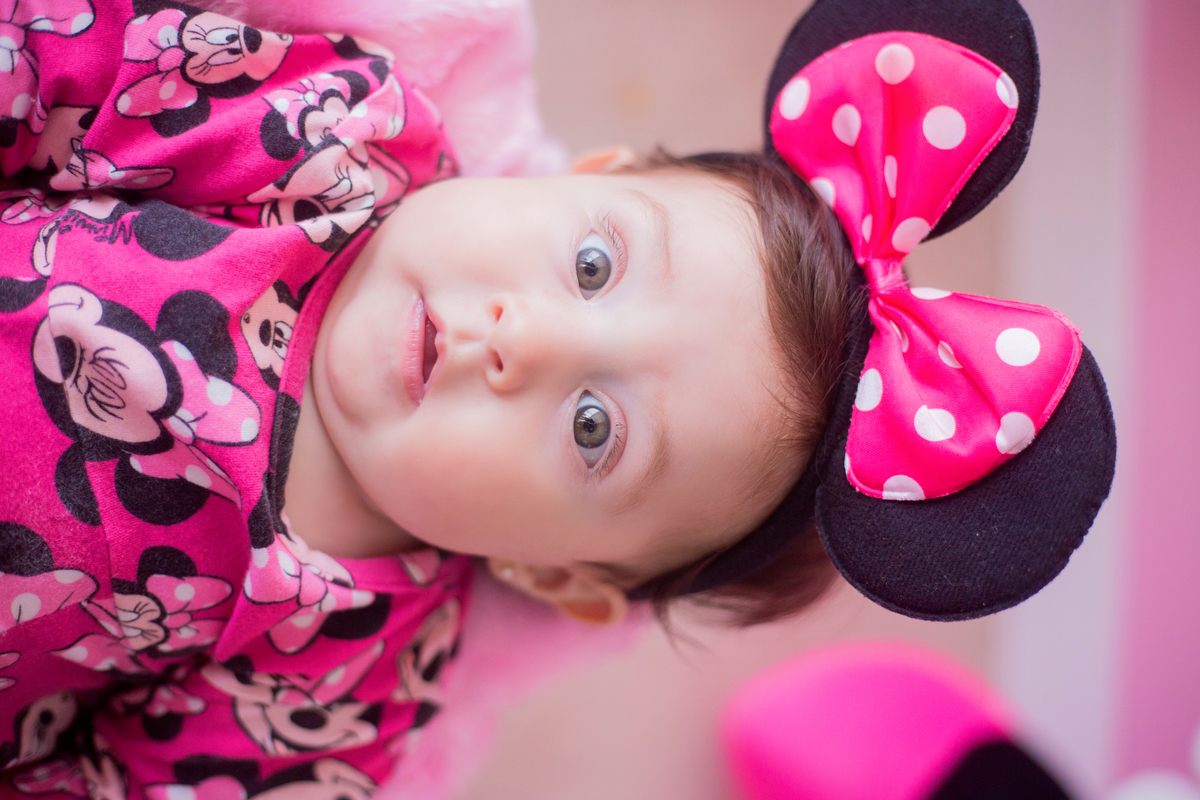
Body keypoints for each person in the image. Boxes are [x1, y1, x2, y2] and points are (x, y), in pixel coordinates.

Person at [0, 0, 1115, 796]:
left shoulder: (338, 677)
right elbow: (53, 64)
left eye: (595, 427)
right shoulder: (324, 135)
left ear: (552, 572)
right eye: (592, 265)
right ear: (582, 180)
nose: (519, 337)